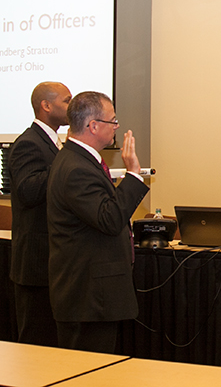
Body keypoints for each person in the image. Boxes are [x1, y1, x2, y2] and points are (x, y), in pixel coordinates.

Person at [47, 91, 149, 353]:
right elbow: (110, 219)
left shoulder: (77, 159)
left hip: (91, 297)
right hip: (87, 299)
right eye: (112, 121)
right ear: (93, 126)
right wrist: (134, 175)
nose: (117, 127)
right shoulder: (76, 168)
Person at [8, 82, 71, 346]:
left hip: (53, 263)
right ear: (46, 105)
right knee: (36, 345)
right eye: (67, 101)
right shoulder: (28, 143)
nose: (72, 106)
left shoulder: (54, 143)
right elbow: (28, 191)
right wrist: (67, 161)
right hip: (36, 264)